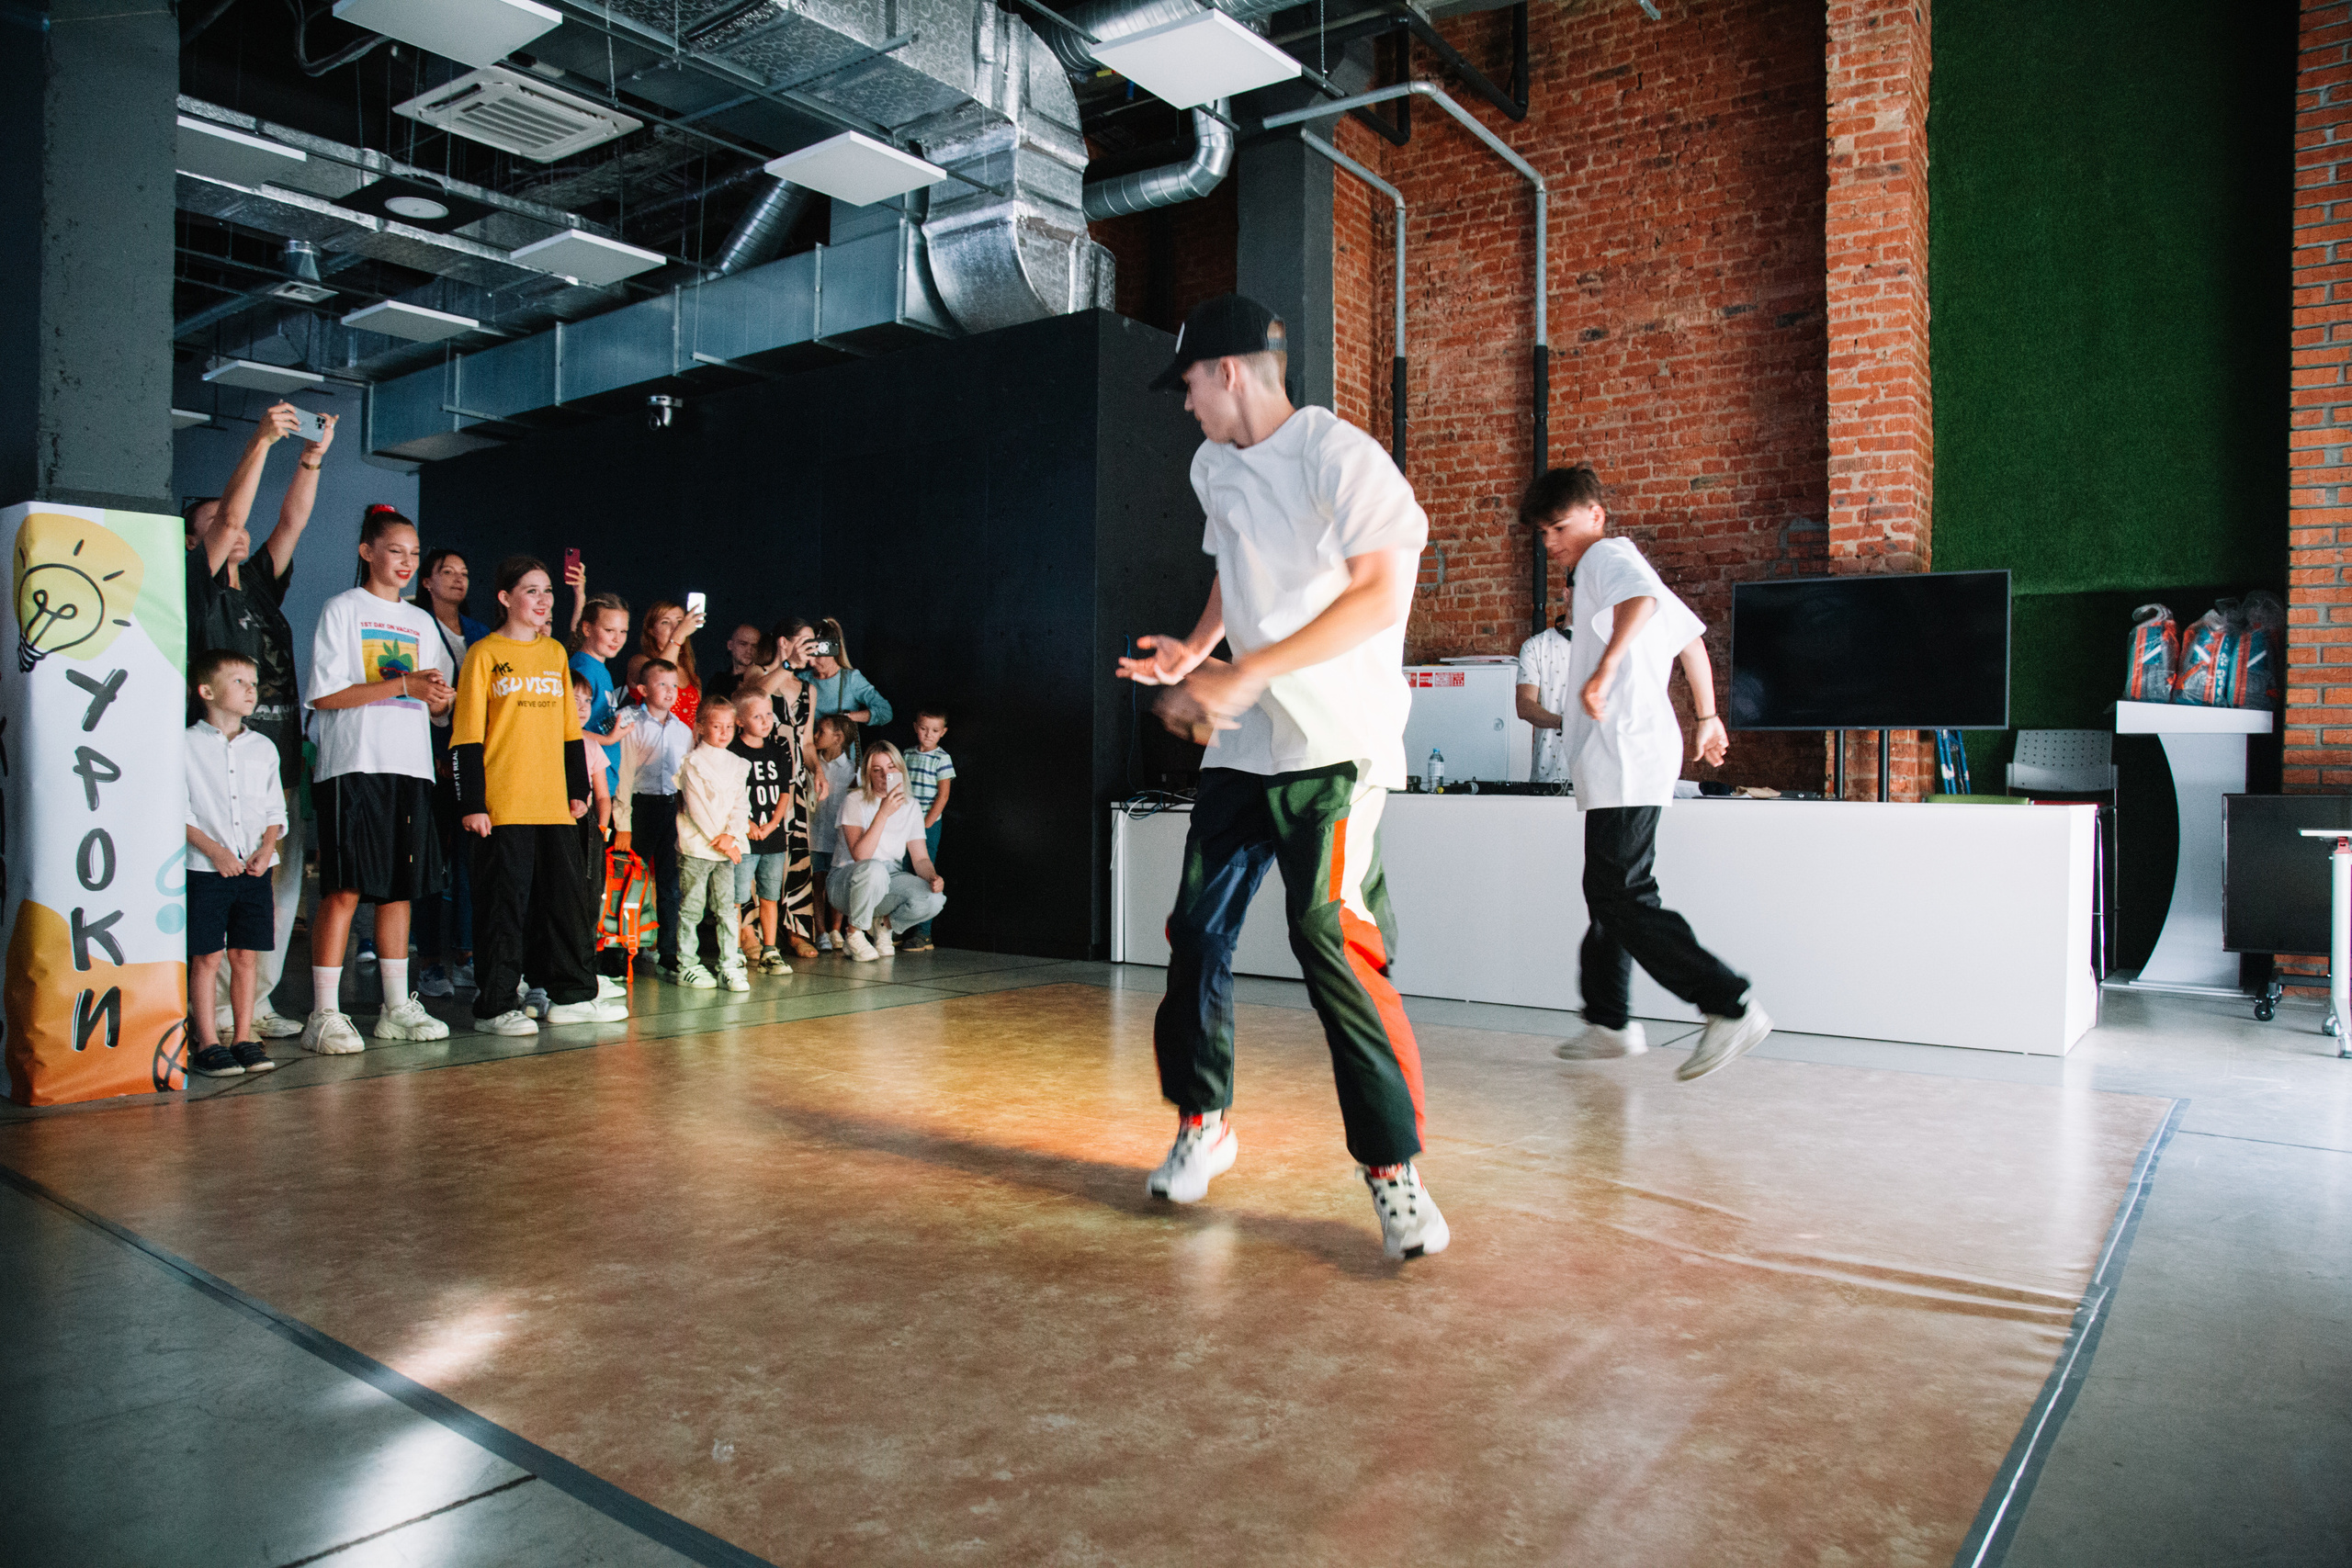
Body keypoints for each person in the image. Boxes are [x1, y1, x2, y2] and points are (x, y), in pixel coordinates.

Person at [1116, 293, 1445, 1262]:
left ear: (1226, 372)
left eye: (1186, 386)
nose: (1183, 406)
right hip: (1244, 744)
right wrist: (1196, 650)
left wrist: (1249, 670)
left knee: (1328, 935)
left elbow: (1382, 592)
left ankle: (1394, 1174)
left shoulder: (1338, 458)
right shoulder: (1211, 465)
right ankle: (1202, 1120)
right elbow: (1234, 569)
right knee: (1194, 930)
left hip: (1335, 749)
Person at [1526, 465, 1772, 1079]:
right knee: (1609, 890)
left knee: (1624, 893)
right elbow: (1688, 640)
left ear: (1596, 516)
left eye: (1560, 526)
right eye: (1544, 532)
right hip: (1624, 751)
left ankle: (1730, 1004)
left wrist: (1606, 668)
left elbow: (1646, 604)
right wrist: (1708, 716)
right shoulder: (1616, 564)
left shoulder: (1607, 559)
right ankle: (1609, 1021)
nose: (1552, 542)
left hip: (1627, 749)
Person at [185, 399, 329, 1042]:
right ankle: (212, 1009)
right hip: (221, 763)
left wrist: (311, 460)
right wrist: (261, 442)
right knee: (221, 882)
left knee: (278, 884)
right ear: (199, 539)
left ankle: (257, 998)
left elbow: (291, 521)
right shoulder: (202, 584)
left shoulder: (260, 586)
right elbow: (237, 511)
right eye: (214, 521)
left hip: (276, 757)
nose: (232, 526)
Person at [302, 506, 457, 1053]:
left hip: (409, 766)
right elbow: (325, 696)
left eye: (415, 556)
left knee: (400, 889)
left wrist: (439, 700)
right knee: (346, 887)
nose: (407, 564)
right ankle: (324, 1012)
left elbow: (435, 699)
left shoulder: (421, 622)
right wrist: (404, 686)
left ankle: (396, 1005)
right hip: (353, 764)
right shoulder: (342, 609)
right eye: (396, 551)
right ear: (368, 551)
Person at [450, 557, 624, 1035]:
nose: (544, 599)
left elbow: (571, 732)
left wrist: (577, 791)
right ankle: (496, 1005)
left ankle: (570, 996)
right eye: (531, 590)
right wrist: (473, 805)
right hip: (503, 806)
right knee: (504, 908)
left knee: (565, 904)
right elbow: (466, 735)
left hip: (555, 806)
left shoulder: (553, 655)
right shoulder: (483, 654)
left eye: (548, 590)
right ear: (505, 598)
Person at [183, 650, 288, 1078]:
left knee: (246, 955)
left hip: (252, 870)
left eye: (253, 681)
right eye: (239, 681)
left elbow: (273, 810)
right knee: (206, 956)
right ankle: (207, 1040)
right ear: (207, 691)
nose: (251, 690)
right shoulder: (184, 744)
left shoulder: (262, 747)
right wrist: (215, 851)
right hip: (206, 868)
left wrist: (266, 848)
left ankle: (244, 1036)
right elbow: (177, 809)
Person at [416, 547, 492, 998]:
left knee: (470, 864)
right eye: (447, 572)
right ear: (427, 581)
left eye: (464, 573)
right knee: (430, 863)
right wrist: (438, 753)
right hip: (429, 759)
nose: (458, 579)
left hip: (474, 761)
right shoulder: (417, 626)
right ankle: (429, 962)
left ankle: (465, 954)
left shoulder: (482, 634)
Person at [738, 617, 825, 956]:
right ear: (783, 642)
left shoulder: (808, 689)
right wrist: (787, 665)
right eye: (805, 641)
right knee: (754, 851)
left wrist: (816, 770)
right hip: (759, 777)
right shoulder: (757, 673)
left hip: (793, 781)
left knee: (794, 854)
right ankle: (748, 931)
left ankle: (795, 928)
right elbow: (752, 696)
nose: (811, 649)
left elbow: (806, 742)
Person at [611, 660, 695, 976]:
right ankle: (619, 952)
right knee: (630, 881)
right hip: (639, 808)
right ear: (643, 690)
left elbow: (686, 778)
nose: (670, 692)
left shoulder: (683, 730)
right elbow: (624, 776)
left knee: (671, 885)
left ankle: (669, 951)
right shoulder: (631, 724)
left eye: (674, 685)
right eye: (662, 685)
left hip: (669, 809)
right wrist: (623, 823)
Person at [829, 739, 944, 962]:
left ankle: (883, 926)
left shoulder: (910, 805)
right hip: (845, 882)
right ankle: (853, 932)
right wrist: (883, 813)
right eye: (877, 770)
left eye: (891, 768)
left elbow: (920, 857)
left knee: (933, 898)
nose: (885, 775)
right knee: (874, 869)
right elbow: (860, 856)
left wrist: (932, 876)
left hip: (887, 880)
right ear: (868, 775)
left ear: (900, 770)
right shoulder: (854, 800)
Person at [668, 701, 752, 990]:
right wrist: (725, 843)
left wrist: (732, 835)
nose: (724, 732)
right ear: (702, 727)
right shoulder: (692, 763)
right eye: (717, 726)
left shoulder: (737, 763)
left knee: (727, 908)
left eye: (729, 726)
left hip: (726, 849)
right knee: (692, 906)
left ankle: (729, 963)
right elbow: (697, 809)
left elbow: (742, 805)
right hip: (698, 849)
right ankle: (687, 964)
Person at [729, 692, 795, 975]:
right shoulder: (732, 751)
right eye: (757, 716)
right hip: (744, 836)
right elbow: (730, 794)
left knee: (770, 894)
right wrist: (748, 824)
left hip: (773, 836)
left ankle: (770, 949)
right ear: (740, 721)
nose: (766, 721)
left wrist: (772, 824)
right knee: (737, 895)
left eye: (769, 714)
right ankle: (731, 949)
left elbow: (784, 792)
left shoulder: (779, 748)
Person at [899, 706, 956, 952]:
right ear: (915, 727)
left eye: (934, 730)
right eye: (923, 728)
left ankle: (923, 933)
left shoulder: (942, 758)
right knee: (901, 870)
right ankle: (896, 929)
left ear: (943, 732)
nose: (928, 734)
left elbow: (943, 796)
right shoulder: (906, 754)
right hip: (903, 823)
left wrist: (925, 824)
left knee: (925, 873)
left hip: (926, 825)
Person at [807, 713, 855, 951]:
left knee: (836, 883)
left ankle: (836, 929)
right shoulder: (812, 763)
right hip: (815, 835)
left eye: (821, 732)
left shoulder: (851, 770)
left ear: (838, 738)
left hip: (839, 839)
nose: (815, 736)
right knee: (817, 884)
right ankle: (821, 931)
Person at [1515, 613, 1575, 784]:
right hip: (1549, 777)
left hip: (1599, 781)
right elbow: (1524, 705)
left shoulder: (1608, 643)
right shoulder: (1535, 646)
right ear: (1566, 594)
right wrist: (1563, 723)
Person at [627, 599, 706, 727]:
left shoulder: (691, 674)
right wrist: (678, 636)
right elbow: (660, 674)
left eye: (680, 622)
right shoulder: (638, 661)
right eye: (665, 622)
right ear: (651, 630)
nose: (675, 628)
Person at [806, 619, 891, 729]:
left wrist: (847, 717)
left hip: (843, 746)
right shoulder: (803, 679)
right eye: (809, 655)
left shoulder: (851, 679)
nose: (811, 663)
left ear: (833, 652)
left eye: (817, 656)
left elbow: (885, 712)